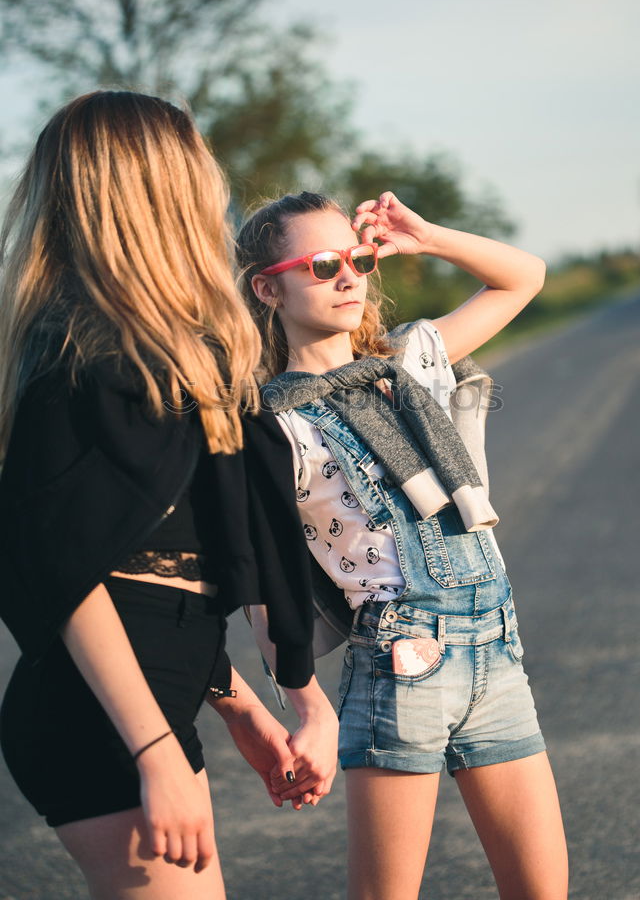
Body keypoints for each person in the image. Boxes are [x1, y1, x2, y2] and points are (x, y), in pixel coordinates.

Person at [0, 93, 338, 900]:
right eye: (195, 159)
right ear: (158, 185)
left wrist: (246, 705)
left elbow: (172, 568)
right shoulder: (77, 362)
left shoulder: (177, 357)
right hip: (101, 722)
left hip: (154, 699)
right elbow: (70, 577)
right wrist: (154, 750)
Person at [237, 190, 568, 900]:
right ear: (268, 287)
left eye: (356, 259)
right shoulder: (266, 423)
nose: (349, 276)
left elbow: (522, 276)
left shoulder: (409, 360)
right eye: (322, 264)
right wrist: (301, 708)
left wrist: (425, 237)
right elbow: (267, 580)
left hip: (496, 652)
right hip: (398, 666)